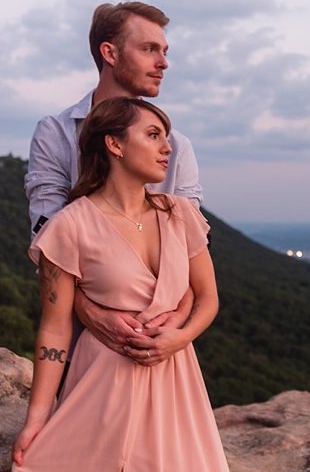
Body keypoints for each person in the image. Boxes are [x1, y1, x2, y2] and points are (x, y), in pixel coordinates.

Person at [12, 97, 228, 471]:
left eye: (167, 137)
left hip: (177, 382)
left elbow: (208, 298)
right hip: (103, 386)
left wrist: (181, 337)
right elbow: (55, 328)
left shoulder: (182, 215)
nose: (167, 148)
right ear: (115, 144)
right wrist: (37, 417)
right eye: (153, 135)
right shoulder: (68, 227)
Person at [25, 1, 202, 363]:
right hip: (83, 339)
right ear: (110, 52)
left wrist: (178, 321)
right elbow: (49, 240)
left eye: (164, 51)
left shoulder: (178, 147)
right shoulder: (56, 133)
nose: (163, 63)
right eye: (149, 49)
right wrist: (92, 313)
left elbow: (194, 247)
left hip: (163, 342)